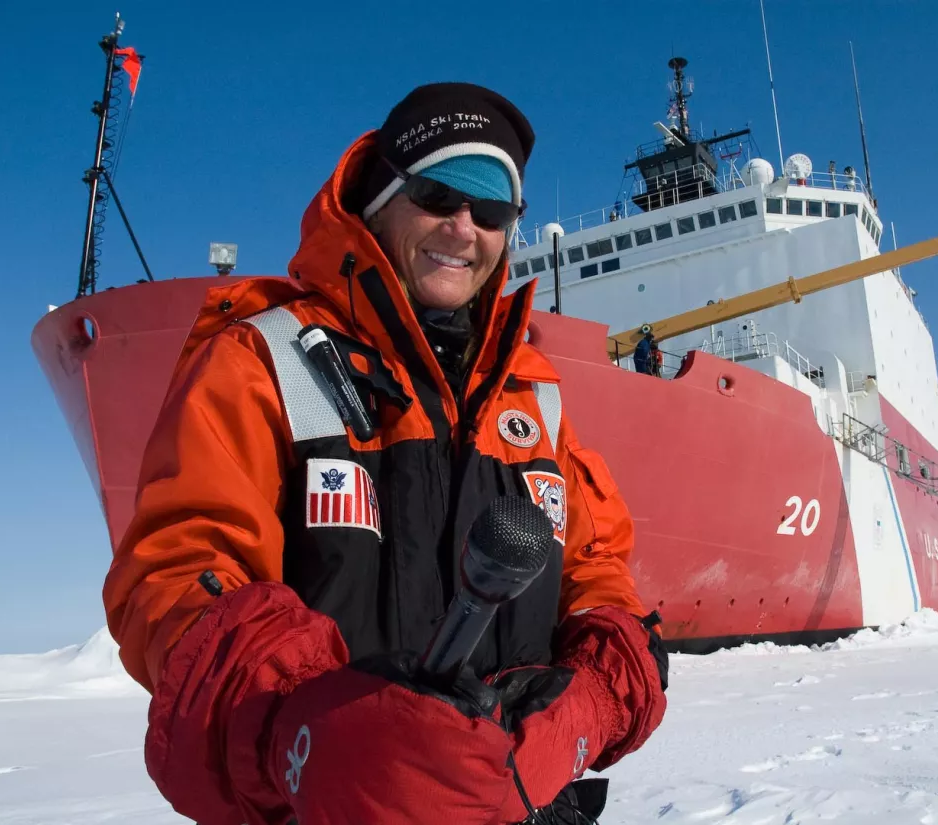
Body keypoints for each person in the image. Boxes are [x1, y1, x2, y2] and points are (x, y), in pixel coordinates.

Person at [103, 83, 667, 825]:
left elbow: (594, 571)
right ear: (378, 200)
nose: (465, 228)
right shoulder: (259, 359)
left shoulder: (533, 394)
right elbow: (177, 574)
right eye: (439, 195)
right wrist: (305, 725)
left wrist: (582, 708)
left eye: (493, 210)